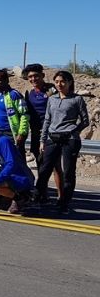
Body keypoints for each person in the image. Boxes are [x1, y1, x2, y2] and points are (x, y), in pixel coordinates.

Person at [37, 71, 90, 213]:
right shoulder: (52, 99)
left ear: (69, 83)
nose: (59, 84)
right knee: (44, 170)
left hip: (70, 140)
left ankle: (64, 202)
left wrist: (74, 131)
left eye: (63, 81)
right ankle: (39, 197)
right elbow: (47, 120)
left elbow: (85, 121)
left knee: (68, 172)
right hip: (52, 138)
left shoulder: (77, 99)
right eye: (57, 81)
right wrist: (43, 140)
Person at [0, 69, 29, 155]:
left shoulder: (14, 95)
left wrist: (21, 133)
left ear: (6, 80)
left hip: (11, 133)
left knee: (17, 159)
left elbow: (24, 114)